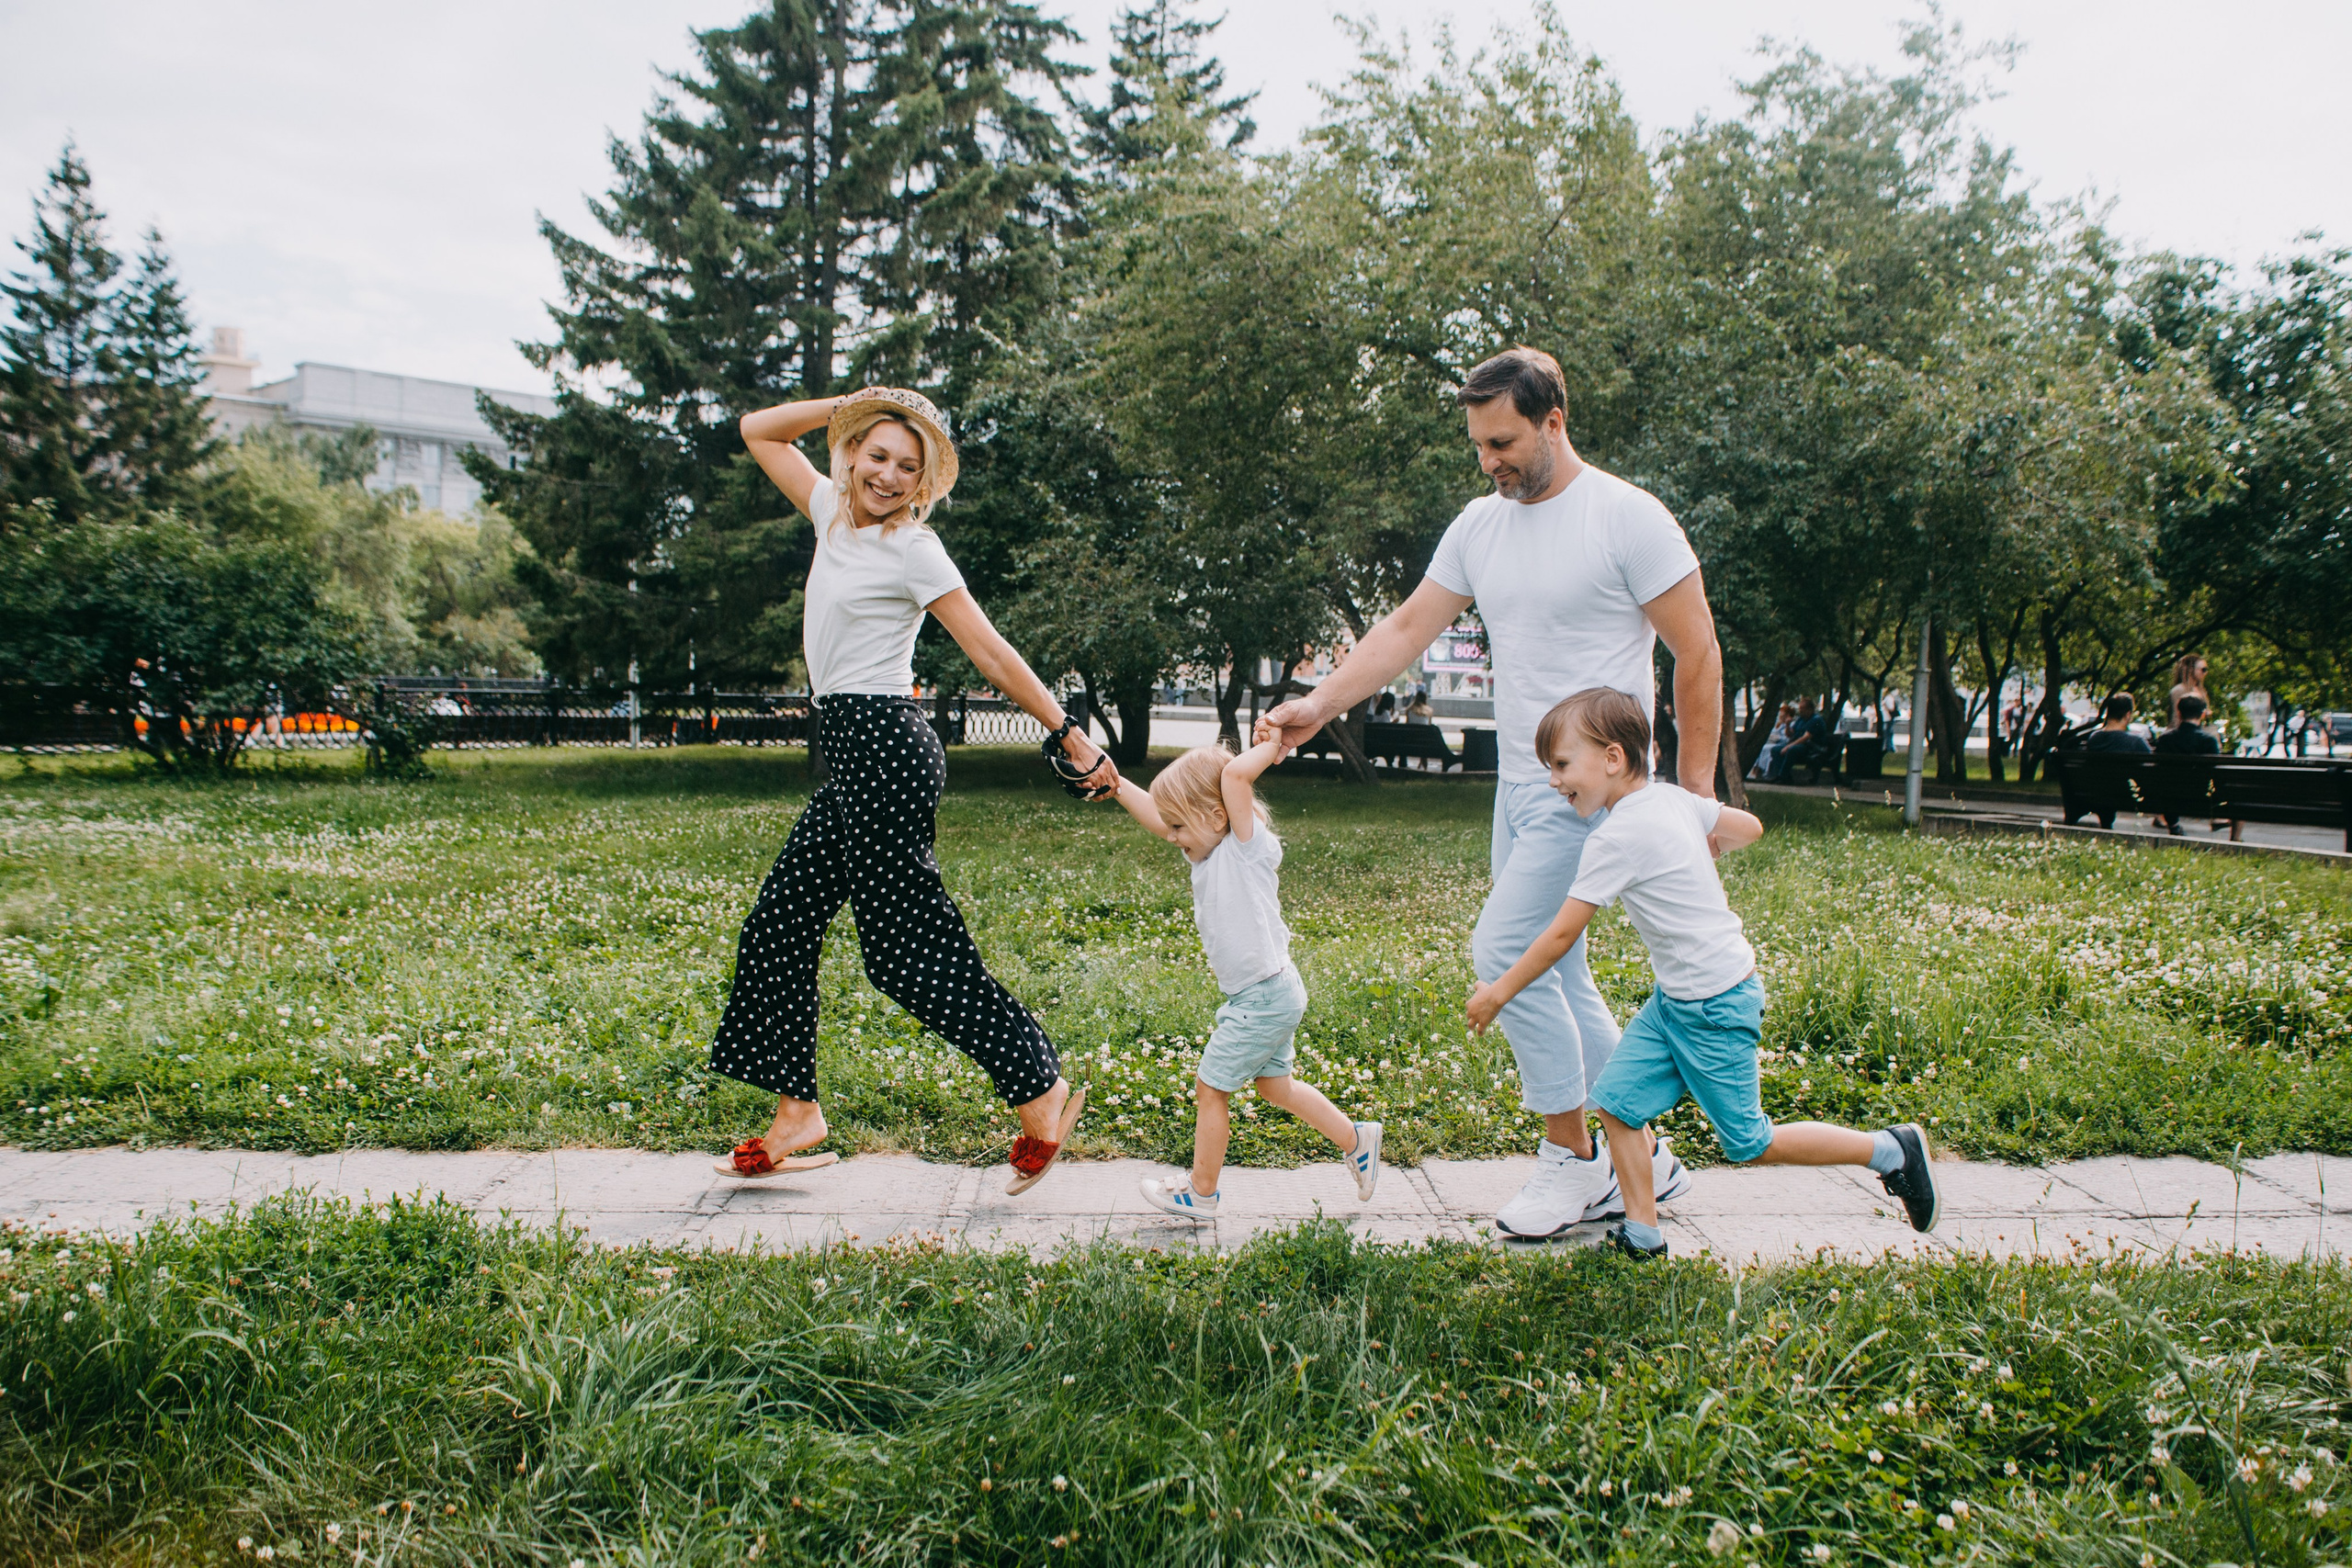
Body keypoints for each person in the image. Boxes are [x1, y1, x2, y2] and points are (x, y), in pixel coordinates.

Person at [1261, 345, 1716, 1237]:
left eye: (1502, 441)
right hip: (1517, 783)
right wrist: (1320, 702)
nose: (1488, 461)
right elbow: (1404, 628)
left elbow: (1696, 652)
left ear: (1554, 420)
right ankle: (1643, 1156)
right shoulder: (1481, 524)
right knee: (1567, 978)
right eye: (1477, 444)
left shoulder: (1629, 519)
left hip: (1595, 790)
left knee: (1507, 955)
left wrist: (1691, 800)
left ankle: (1573, 1162)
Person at [708, 387, 1111, 1190]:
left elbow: (988, 649)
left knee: (904, 953)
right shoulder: (827, 508)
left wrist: (1065, 727)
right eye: (879, 455)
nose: (889, 475)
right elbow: (757, 429)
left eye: (909, 466)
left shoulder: (912, 548)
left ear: (924, 483)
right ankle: (799, 1111)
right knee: (778, 925)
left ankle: (1041, 1088)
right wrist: (851, 404)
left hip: (889, 750)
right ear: (852, 452)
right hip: (852, 751)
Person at [1465, 689, 1939, 1258]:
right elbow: (1750, 827)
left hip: (1716, 1007)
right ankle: (1643, 1234)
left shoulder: (1614, 838)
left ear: (1613, 759)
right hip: (1677, 1002)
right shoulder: (1672, 802)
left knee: (1750, 1143)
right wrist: (1705, 846)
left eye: (1562, 766)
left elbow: (1560, 935)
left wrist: (1498, 994)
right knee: (1615, 1106)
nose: (1553, 782)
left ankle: (1891, 1150)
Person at [1112, 739, 1382, 1219]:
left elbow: (1235, 778)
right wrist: (1115, 784)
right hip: (1267, 992)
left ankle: (1201, 1191)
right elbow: (1158, 816)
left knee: (1211, 1088)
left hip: (1264, 996)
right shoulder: (1207, 852)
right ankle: (1356, 1139)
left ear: (1217, 817)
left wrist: (1275, 742)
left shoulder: (1245, 848)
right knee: (1277, 1087)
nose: (1170, 836)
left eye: (1179, 826)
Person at [2151, 694, 2223, 836]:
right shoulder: (2209, 741)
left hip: (2168, 796)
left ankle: (2174, 825)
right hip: (2202, 798)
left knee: (2168, 785)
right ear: (2203, 715)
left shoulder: (2165, 740)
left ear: (2179, 713)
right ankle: (2235, 838)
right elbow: (2215, 772)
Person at [1767, 697, 1831, 783]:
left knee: (1791, 750)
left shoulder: (1816, 720)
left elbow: (1805, 738)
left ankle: (1783, 776)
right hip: (1799, 745)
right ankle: (1783, 776)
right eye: (1800, 708)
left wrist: (1788, 746)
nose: (1800, 711)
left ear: (1810, 709)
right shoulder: (1801, 719)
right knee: (1775, 750)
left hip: (1811, 748)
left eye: (1803, 708)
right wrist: (1787, 725)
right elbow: (1790, 734)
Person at [1749, 703, 1798, 780]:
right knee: (1761, 747)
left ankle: (1765, 772)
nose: (1781, 715)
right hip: (1772, 742)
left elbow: (1787, 737)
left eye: (1783, 713)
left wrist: (1787, 724)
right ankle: (1756, 769)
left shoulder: (1791, 724)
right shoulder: (1777, 723)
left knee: (1766, 749)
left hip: (1781, 744)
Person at [2167, 655, 2211, 729]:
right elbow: (2175, 717)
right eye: (2203, 670)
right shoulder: (2179, 690)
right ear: (2191, 669)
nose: (2205, 673)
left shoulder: (2201, 690)